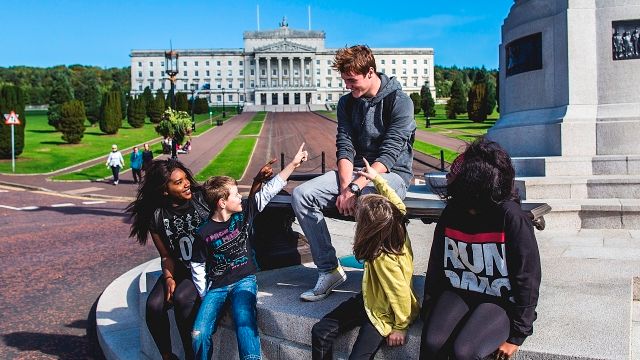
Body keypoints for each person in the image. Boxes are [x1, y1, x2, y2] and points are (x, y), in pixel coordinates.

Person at [292, 45, 416, 302]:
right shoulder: (347, 103)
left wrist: (355, 189)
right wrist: (346, 187)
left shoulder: (400, 101)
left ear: (370, 72)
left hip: (391, 173)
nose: (348, 86)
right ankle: (328, 269)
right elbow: (345, 146)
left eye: (352, 80)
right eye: (345, 80)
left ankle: (381, 277)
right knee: (302, 194)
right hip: (358, 171)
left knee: (370, 201)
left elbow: (390, 154)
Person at [419, 138, 541, 360]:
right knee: (431, 342)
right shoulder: (452, 213)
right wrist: (429, 305)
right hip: (459, 290)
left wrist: (517, 335)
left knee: (464, 352)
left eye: (455, 173)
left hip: (499, 299)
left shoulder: (511, 217)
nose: (448, 177)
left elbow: (528, 277)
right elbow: (436, 264)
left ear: (472, 181)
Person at [190, 144, 308, 360]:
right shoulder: (203, 233)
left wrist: (292, 164)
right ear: (222, 202)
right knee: (198, 333)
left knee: (245, 324)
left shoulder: (243, 215)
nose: (240, 197)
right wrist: (205, 294)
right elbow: (197, 265)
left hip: (244, 281)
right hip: (216, 287)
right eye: (235, 194)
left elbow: (271, 188)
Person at [311, 158, 420, 360]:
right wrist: (376, 178)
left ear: (368, 229)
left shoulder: (384, 258)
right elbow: (395, 201)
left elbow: (401, 293)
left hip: (383, 313)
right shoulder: (398, 223)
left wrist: (400, 327)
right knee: (320, 331)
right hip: (369, 298)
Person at [125, 159, 211, 360]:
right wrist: (169, 278)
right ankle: (167, 356)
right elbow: (166, 256)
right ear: (165, 190)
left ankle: (191, 355)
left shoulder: (202, 199)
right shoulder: (156, 216)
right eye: (179, 182)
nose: (187, 183)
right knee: (154, 305)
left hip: (205, 267)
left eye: (185, 178)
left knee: (182, 298)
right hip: (179, 268)